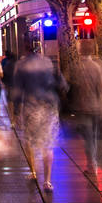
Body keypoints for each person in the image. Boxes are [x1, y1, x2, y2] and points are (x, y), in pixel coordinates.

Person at [14, 41, 63, 191]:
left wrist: (15, 111)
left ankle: (33, 171)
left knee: (29, 141)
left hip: (32, 107)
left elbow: (17, 91)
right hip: (49, 106)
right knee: (47, 144)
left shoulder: (22, 65)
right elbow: (62, 83)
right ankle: (47, 181)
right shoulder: (48, 62)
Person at [69, 40, 102, 181]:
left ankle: (92, 165)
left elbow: (72, 87)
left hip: (82, 107)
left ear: (80, 51)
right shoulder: (97, 67)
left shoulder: (76, 67)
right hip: (96, 107)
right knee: (96, 136)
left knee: (88, 138)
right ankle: (98, 161)